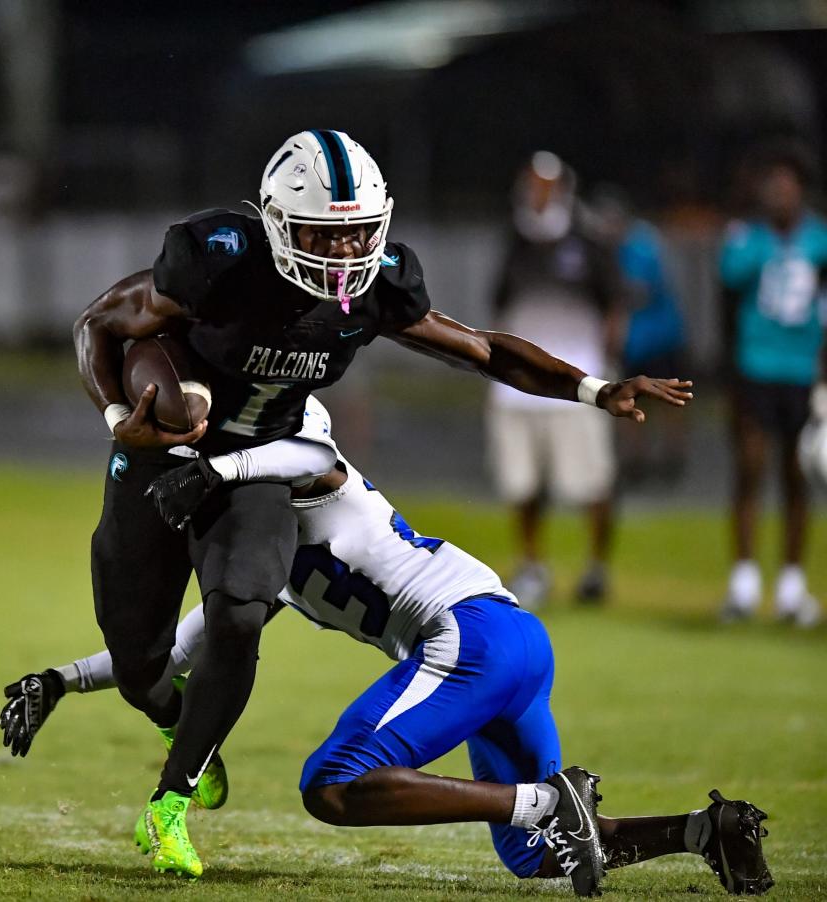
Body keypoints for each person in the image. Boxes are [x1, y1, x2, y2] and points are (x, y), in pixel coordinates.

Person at [71, 129, 693, 876]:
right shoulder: (216, 259)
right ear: (273, 222)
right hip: (169, 450)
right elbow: (99, 326)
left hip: (284, 484)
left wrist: (591, 388)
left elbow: (483, 349)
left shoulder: (365, 312)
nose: (342, 256)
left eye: (357, 235)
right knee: (144, 667)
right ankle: (175, 718)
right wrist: (120, 420)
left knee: (260, 648)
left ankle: (174, 798)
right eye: (322, 236)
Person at [0, 402, 771, 897]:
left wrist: (217, 468)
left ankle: (545, 799)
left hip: (467, 636)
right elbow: (174, 655)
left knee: (333, 785)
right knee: (532, 855)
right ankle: (703, 832)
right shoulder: (259, 559)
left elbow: (307, 460)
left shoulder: (315, 474)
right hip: (511, 645)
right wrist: (60, 680)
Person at [486, 152, 624, 606]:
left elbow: (614, 304)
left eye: (545, 185)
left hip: (576, 380)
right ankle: (531, 565)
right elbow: (500, 303)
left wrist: (606, 365)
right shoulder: (514, 239)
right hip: (518, 387)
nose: (537, 194)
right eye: (531, 184)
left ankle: (596, 568)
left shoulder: (587, 241)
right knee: (523, 483)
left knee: (591, 481)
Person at [718, 140, 827, 627]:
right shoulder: (747, 240)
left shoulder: (819, 240)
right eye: (772, 186)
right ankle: (743, 582)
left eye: (787, 186)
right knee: (749, 467)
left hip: (802, 370)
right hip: (755, 366)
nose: (779, 194)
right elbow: (726, 295)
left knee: (797, 474)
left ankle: (791, 585)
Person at [590, 184, 687, 484]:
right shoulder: (608, 250)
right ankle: (635, 458)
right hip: (634, 342)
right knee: (629, 398)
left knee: (670, 398)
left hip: (660, 337)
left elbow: (635, 292)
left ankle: (673, 456)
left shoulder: (642, 245)